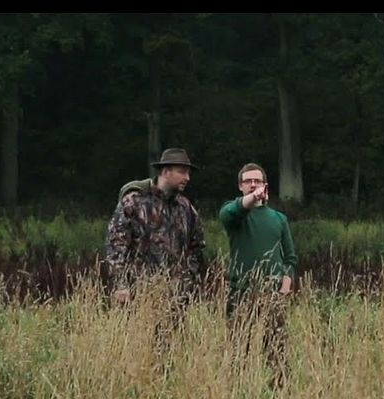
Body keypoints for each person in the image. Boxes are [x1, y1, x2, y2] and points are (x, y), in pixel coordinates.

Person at [218, 162, 298, 385]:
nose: (253, 184)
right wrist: (251, 200)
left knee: (277, 352)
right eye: (247, 181)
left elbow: (290, 257)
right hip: (241, 293)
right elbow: (230, 213)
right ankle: (238, 394)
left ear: (265, 185)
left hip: (272, 295)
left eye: (257, 181)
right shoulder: (233, 214)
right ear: (240, 186)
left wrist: (285, 284)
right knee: (238, 352)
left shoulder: (279, 219)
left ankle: (280, 396)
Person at [104, 147, 206, 307]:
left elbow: (197, 247)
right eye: (182, 172)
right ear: (165, 172)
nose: (187, 178)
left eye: (188, 173)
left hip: (174, 300)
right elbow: (116, 244)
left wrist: (188, 283)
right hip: (136, 297)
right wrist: (121, 284)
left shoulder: (185, 208)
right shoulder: (135, 202)